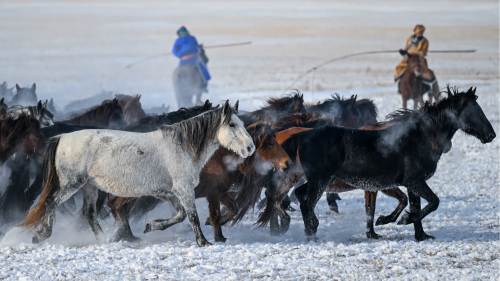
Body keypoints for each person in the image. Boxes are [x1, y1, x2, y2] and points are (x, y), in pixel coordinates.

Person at [171, 26, 211, 92]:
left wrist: (181, 56)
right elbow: (196, 48)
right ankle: (204, 85)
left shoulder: (177, 41)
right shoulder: (192, 38)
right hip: (194, 60)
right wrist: (200, 47)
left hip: (183, 62)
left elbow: (174, 51)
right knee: (203, 69)